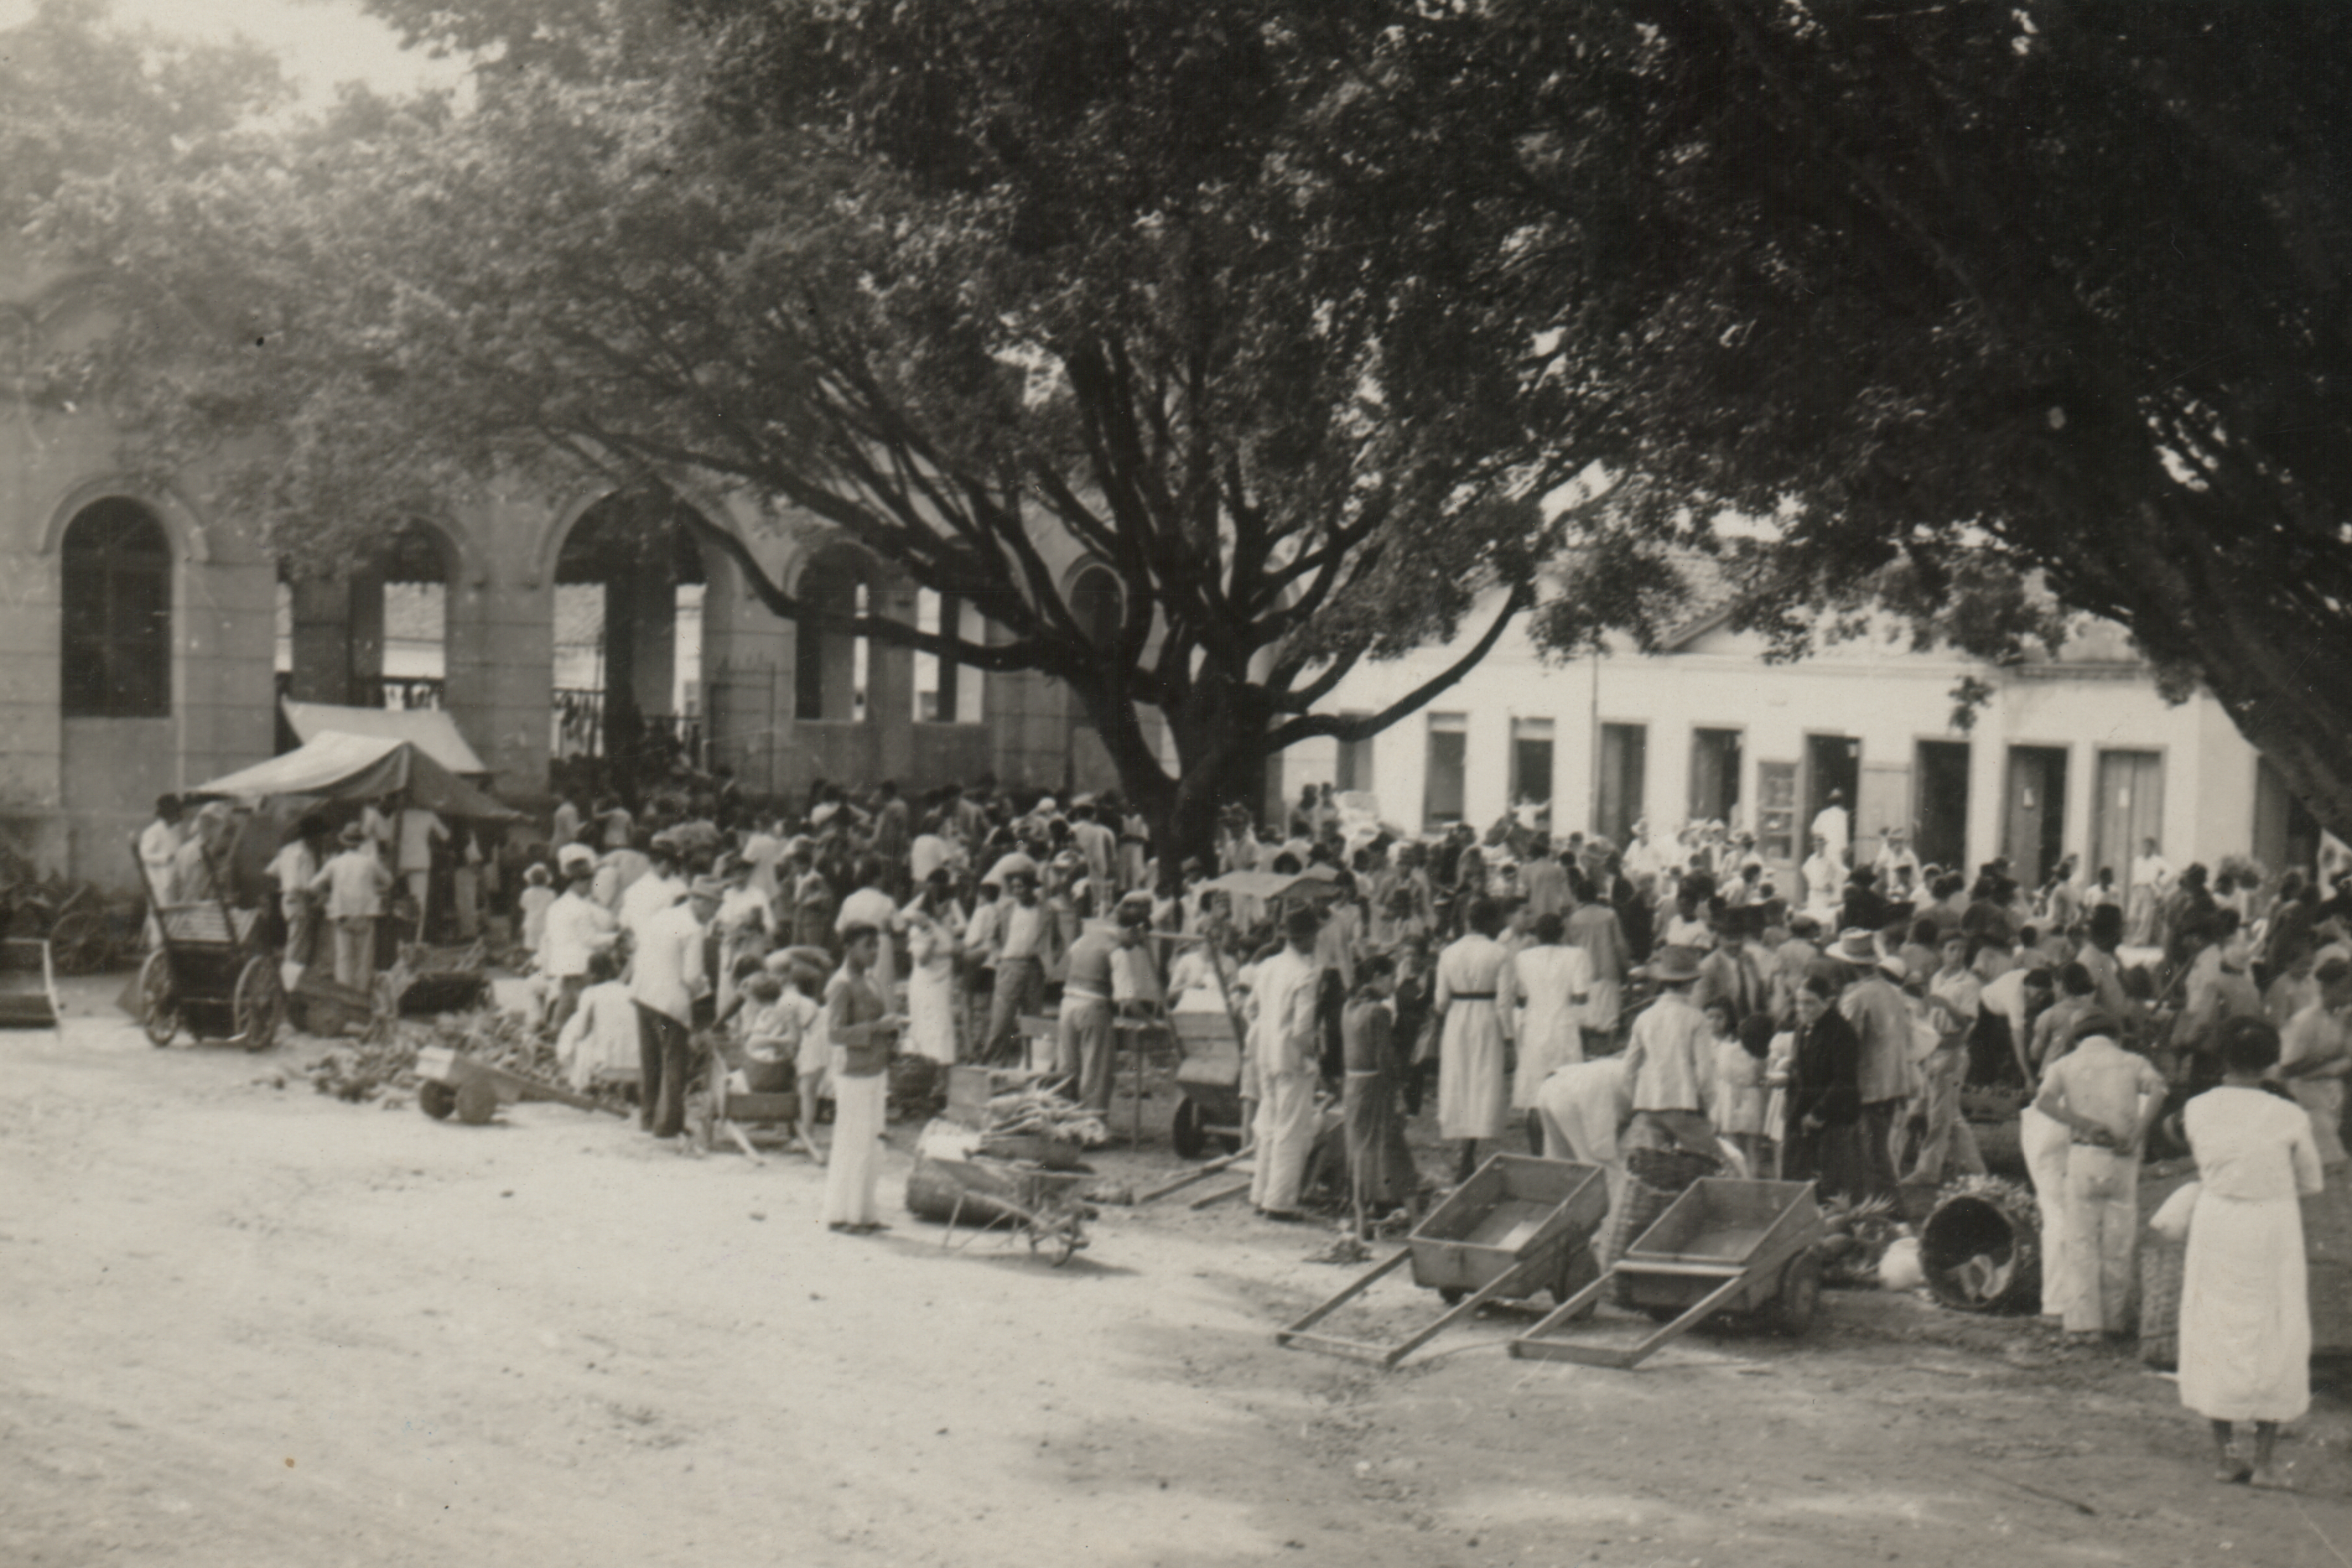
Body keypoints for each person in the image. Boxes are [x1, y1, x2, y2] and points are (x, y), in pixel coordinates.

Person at [2178, 1018, 2324, 1490]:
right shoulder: (2289, 1114)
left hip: (2219, 1221)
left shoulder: (2197, 1108)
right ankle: (2262, 1463)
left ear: (2222, 1059)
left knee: (2216, 1325)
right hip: (2271, 1225)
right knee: (2274, 1329)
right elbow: (2311, 1182)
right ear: (2270, 1061)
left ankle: (2225, 1455)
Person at [2032, 1010, 2167, 1335]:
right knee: (2118, 1243)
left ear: (2078, 1038)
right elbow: (2160, 1090)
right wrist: (2138, 1132)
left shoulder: (2064, 1065)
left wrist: (2084, 1124)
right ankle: (2114, 1320)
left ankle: (2084, 1326)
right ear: (2116, 1037)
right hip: (2123, 1156)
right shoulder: (2132, 1061)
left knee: (2081, 1242)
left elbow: (2044, 1102)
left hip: (2084, 1154)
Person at [823, 923, 902, 1233]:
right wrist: (876, 1029)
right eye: (867, 946)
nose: (873, 952)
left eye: (876, 947)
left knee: (872, 1145)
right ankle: (846, 1215)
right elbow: (834, 1033)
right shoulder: (840, 984)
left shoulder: (870, 981)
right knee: (853, 1144)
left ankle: (865, 1213)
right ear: (849, 948)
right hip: (854, 1074)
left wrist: (890, 1031)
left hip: (875, 1069)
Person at [1249, 906, 1324, 1221]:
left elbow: (1250, 1009)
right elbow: (1303, 1029)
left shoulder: (1267, 966)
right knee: (1291, 1130)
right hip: (1291, 1058)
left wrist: (1267, 1032)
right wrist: (1314, 1053)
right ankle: (1278, 1202)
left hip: (1265, 1054)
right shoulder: (1304, 974)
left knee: (1268, 1125)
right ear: (1306, 938)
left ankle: (1260, 1192)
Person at [631, 875, 721, 1140]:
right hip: (669, 1002)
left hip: (644, 994)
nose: (713, 914)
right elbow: (692, 976)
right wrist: (706, 992)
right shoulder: (693, 928)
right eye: (713, 907)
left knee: (651, 1061)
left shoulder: (662, 916)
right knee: (673, 1062)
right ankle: (668, 1124)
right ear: (699, 901)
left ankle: (648, 1119)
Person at [1435, 896, 1516, 1180]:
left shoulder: (1448, 953)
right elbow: (1505, 1002)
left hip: (1458, 1018)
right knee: (1482, 1079)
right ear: (1490, 922)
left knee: (1459, 1078)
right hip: (1486, 1018)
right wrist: (1509, 1038)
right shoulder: (1500, 953)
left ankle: (1463, 1149)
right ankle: (1468, 1151)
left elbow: (1440, 1001)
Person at [1340, 954, 1415, 1238]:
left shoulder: (1349, 1007)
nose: (1394, 983)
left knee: (1359, 1152)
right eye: (1390, 977)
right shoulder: (1378, 1012)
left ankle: (1361, 1219)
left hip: (1352, 1087)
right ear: (1377, 978)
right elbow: (1386, 1058)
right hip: (1374, 1088)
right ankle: (1416, 1219)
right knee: (1395, 1150)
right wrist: (1400, 1093)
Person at [1621, 945, 1718, 1160]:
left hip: (1648, 1106)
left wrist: (1636, 1102)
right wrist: (1710, 1107)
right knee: (1715, 1162)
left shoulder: (1644, 1017)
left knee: (1657, 1167)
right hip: (1682, 1104)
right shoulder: (1695, 1018)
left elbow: (1628, 1070)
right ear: (1690, 983)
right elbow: (1704, 1073)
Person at [1058, 898, 1146, 1113]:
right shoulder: (1117, 951)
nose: (1135, 946)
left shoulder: (1085, 939)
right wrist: (1149, 1020)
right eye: (1137, 940)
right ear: (1134, 931)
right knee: (1096, 1069)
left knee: (1067, 1068)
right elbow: (1127, 1000)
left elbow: (1063, 970)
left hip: (1067, 1005)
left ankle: (1063, 1117)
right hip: (1092, 1007)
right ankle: (1092, 1124)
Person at [2277, 953, 2352, 1170]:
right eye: (2345, 989)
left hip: (2330, 1093)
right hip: (2304, 1094)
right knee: (2328, 1164)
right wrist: (2325, 1063)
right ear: (2326, 988)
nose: (2350, 995)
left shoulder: (2342, 1018)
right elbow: (2285, 1068)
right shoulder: (2305, 1021)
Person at [983, 855, 1057, 1065]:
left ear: (1032, 888)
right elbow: (994, 937)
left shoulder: (1045, 911)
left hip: (1034, 968)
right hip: (1010, 966)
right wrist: (998, 958)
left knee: (1033, 1022)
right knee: (1000, 1022)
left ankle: (1031, 1067)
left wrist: (1049, 964)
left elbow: (1057, 941)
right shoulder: (1006, 910)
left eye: (1021, 887)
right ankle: (994, 1066)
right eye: (1014, 887)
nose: (1017, 892)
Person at [541, 848, 619, 1036]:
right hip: (580, 962)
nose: (591, 887)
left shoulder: (557, 905)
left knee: (567, 1001)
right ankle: (569, 1035)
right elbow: (590, 939)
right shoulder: (580, 908)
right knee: (582, 1005)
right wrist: (615, 938)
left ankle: (554, 1032)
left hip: (562, 962)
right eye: (589, 883)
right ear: (580, 882)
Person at [309, 823, 392, 990]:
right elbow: (389, 881)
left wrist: (326, 896)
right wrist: (375, 887)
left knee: (343, 957)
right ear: (360, 843)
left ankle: (345, 996)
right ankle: (361, 995)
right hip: (365, 913)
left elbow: (312, 886)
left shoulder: (334, 863)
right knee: (364, 958)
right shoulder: (369, 862)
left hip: (342, 914)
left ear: (343, 842)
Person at [554, 951, 638, 1093]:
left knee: (576, 1031)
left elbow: (580, 1032)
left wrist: (564, 1054)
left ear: (592, 974)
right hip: (637, 1067)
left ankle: (577, 1082)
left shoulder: (591, 993)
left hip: (605, 1068)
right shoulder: (630, 991)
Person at [266, 816, 330, 974]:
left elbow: (271, 872)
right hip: (300, 898)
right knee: (299, 944)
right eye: (319, 836)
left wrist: (284, 882)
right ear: (312, 836)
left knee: (295, 940)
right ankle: (289, 979)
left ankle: (291, 976)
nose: (320, 840)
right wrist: (323, 896)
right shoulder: (305, 854)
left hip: (286, 898)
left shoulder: (287, 850)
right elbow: (309, 886)